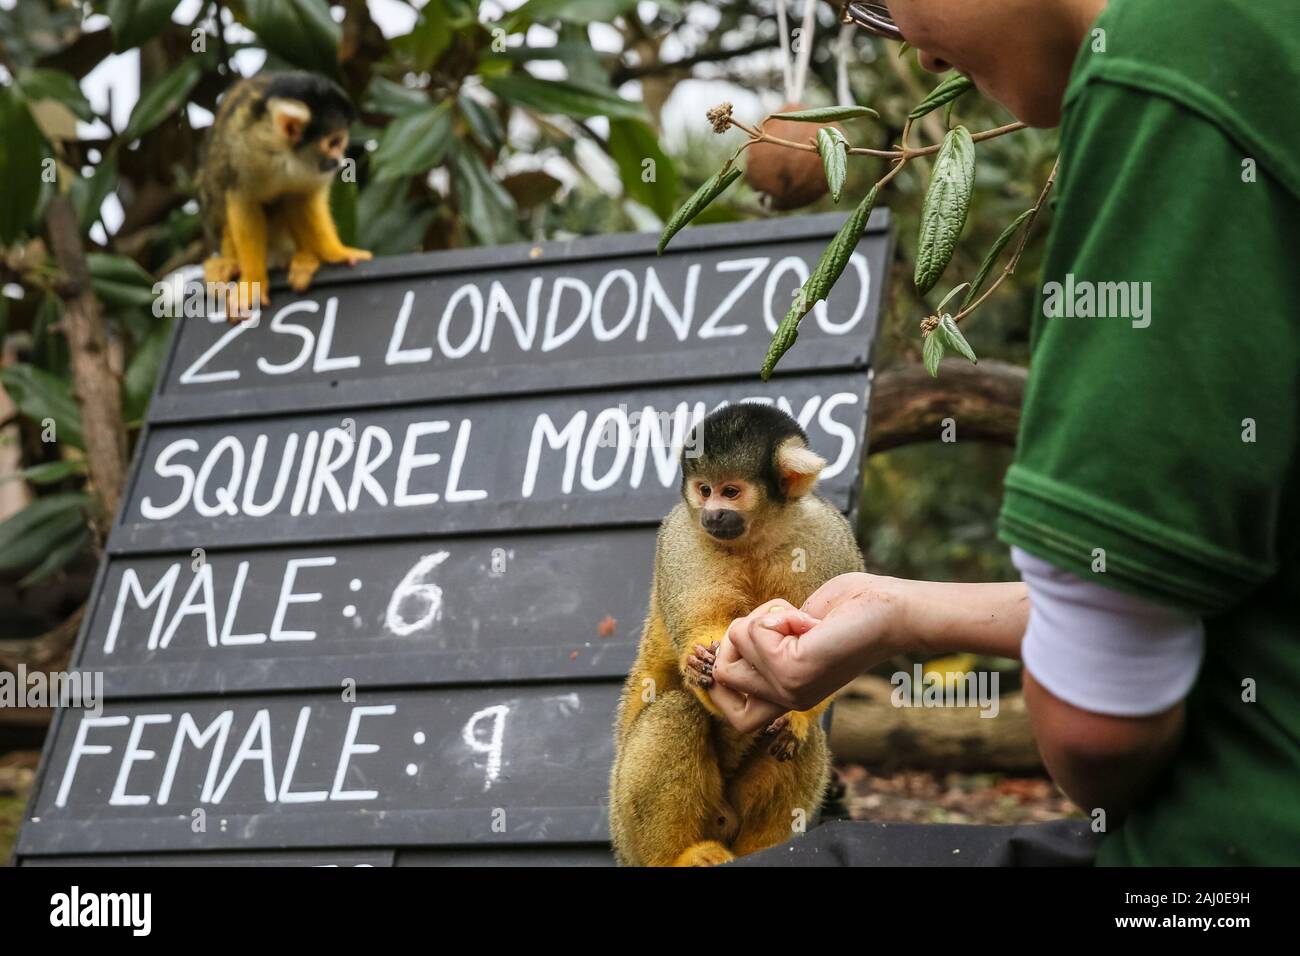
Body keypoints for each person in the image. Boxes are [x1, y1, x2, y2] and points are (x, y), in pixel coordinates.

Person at [707, 0, 1299, 865]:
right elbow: (1173, 597)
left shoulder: (1168, 65)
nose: (909, 46)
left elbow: (1099, 731)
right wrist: (902, 613)